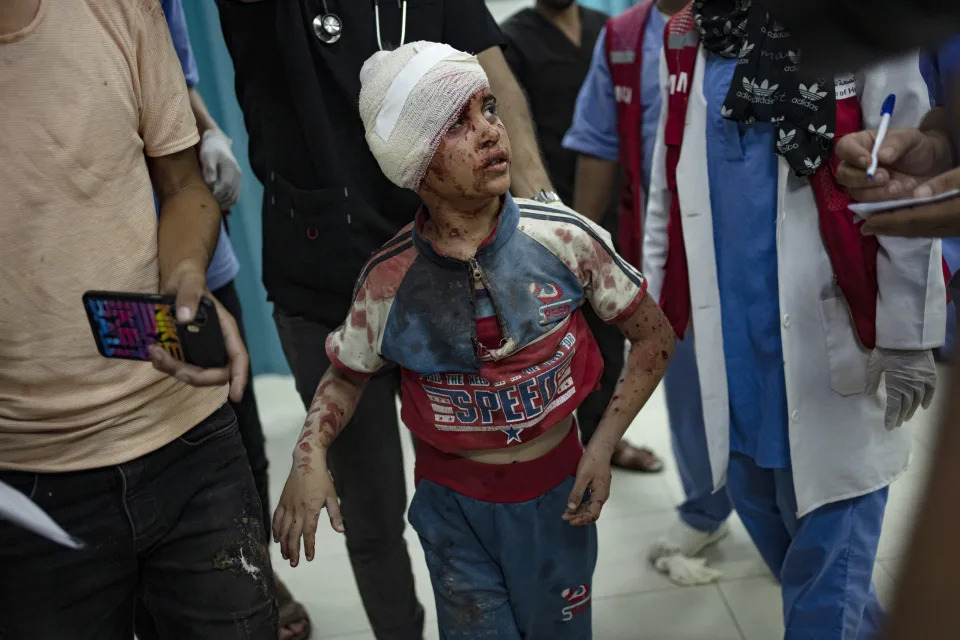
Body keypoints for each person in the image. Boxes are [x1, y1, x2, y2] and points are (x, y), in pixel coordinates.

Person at [272, 41, 676, 639]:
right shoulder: (389, 283)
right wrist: (309, 460)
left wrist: (602, 444)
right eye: (457, 123)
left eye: (488, 108)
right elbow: (345, 375)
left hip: (557, 499)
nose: (490, 131)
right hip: (452, 511)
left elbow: (654, 339)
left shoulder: (565, 241)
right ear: (413, 164)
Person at [215, 3, 558, 637]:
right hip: (323, 272)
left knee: (492, 479)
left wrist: (539, 213)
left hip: (451, 260)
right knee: (372, 515)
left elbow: (491, 71)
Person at [643, 1, 945, 636]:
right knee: (802, 568)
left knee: (822, 597)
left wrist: (910, 334)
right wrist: (653, 309)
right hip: (740, 370)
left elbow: (909, 185)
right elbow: (670, 187)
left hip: (836, 352)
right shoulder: (693, 38)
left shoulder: (855, 23)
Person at [0, 1, 277, 638]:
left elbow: (182, 185)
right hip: (30, 481)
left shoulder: (119, 9)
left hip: (187, 442)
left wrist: (185, 276)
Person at [560, 0, 734, 583]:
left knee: (765, 382)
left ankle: (790, 515)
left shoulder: (754, 21)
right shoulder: (625, 38)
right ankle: (706, 506)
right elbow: (599, 143)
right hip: (666, 243)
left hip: (748, 238)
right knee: (679, 376)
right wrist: (579, 262)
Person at [158, 2, 310, 638]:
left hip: (200, 267)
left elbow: (173, 85)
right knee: (160, 435)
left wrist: (211, 130)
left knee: (235, 430)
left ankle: (253, 569)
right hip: (117, 267)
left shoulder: (156, 11)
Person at [501, 0, 666, 475]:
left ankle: (604, 438)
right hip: (543, 211)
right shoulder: (511, 39)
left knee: (612, 329)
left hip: (616, 208)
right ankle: (549, 440)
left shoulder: (607, 30)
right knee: (551, 338)